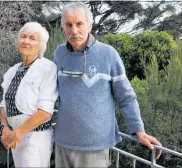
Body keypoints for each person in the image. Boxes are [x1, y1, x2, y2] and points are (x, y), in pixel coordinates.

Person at [53, 2, 162, 168]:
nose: (74, 31)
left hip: (95, 147)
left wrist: (139, 130)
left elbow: (126, 97)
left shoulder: (108, 54)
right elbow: (49, 92)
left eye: (79, 24)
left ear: (89, 25)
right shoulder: (59, 53)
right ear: (63, 27)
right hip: (62, 143)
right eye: (69, 25)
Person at [0, 22, 58, 167]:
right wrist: (5, 128)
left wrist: (16, 133)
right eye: (23, 37)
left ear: (41, 45)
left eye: (32, 38)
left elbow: (45, 112)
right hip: (15, 136)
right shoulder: (13, 70)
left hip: (35, 138)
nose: (25, 41)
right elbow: (3, 104)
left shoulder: (47, 68)